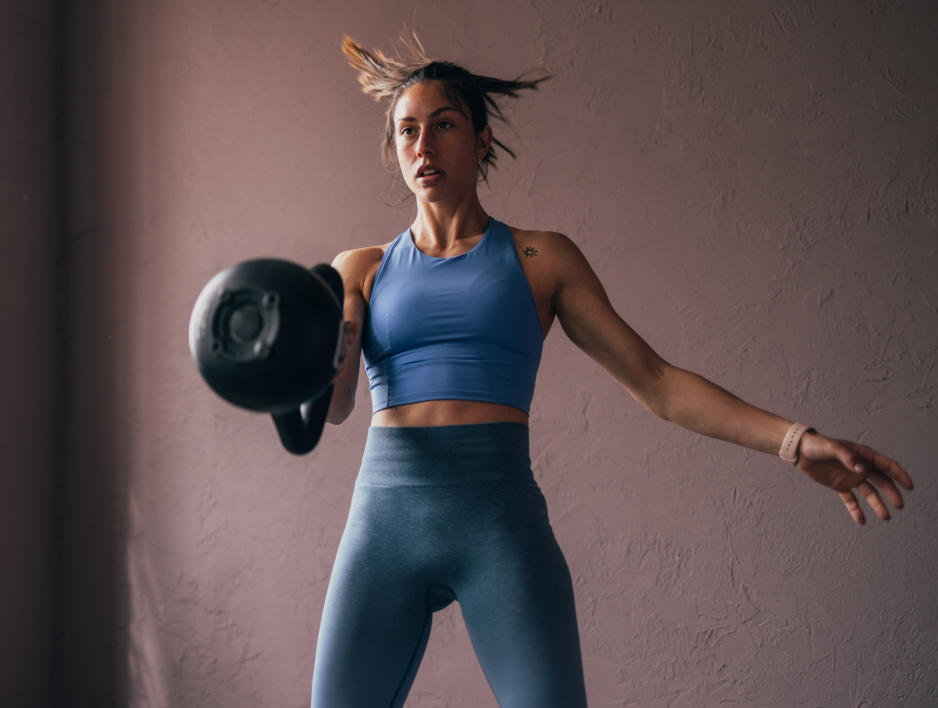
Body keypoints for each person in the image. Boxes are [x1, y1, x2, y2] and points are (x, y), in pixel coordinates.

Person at [312, 35, 915, 708]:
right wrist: (316, 359)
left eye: (444, 125)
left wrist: (795, 441)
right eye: (407, 131)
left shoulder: (541, 258)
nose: (423, 146)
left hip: (499, 530)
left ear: (482, 140)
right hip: (384, 527)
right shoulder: (358, 270)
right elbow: (333, 407)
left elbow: (656, 381)